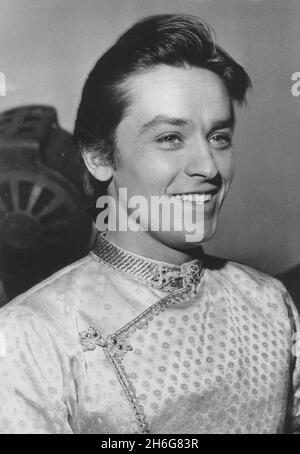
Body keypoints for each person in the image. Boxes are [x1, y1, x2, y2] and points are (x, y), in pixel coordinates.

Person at [0, 14, 299, 434]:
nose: (208, 167)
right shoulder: (31, 333)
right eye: (170, 138)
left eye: (219, 137)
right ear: (99, 157)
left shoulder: (271, 304)